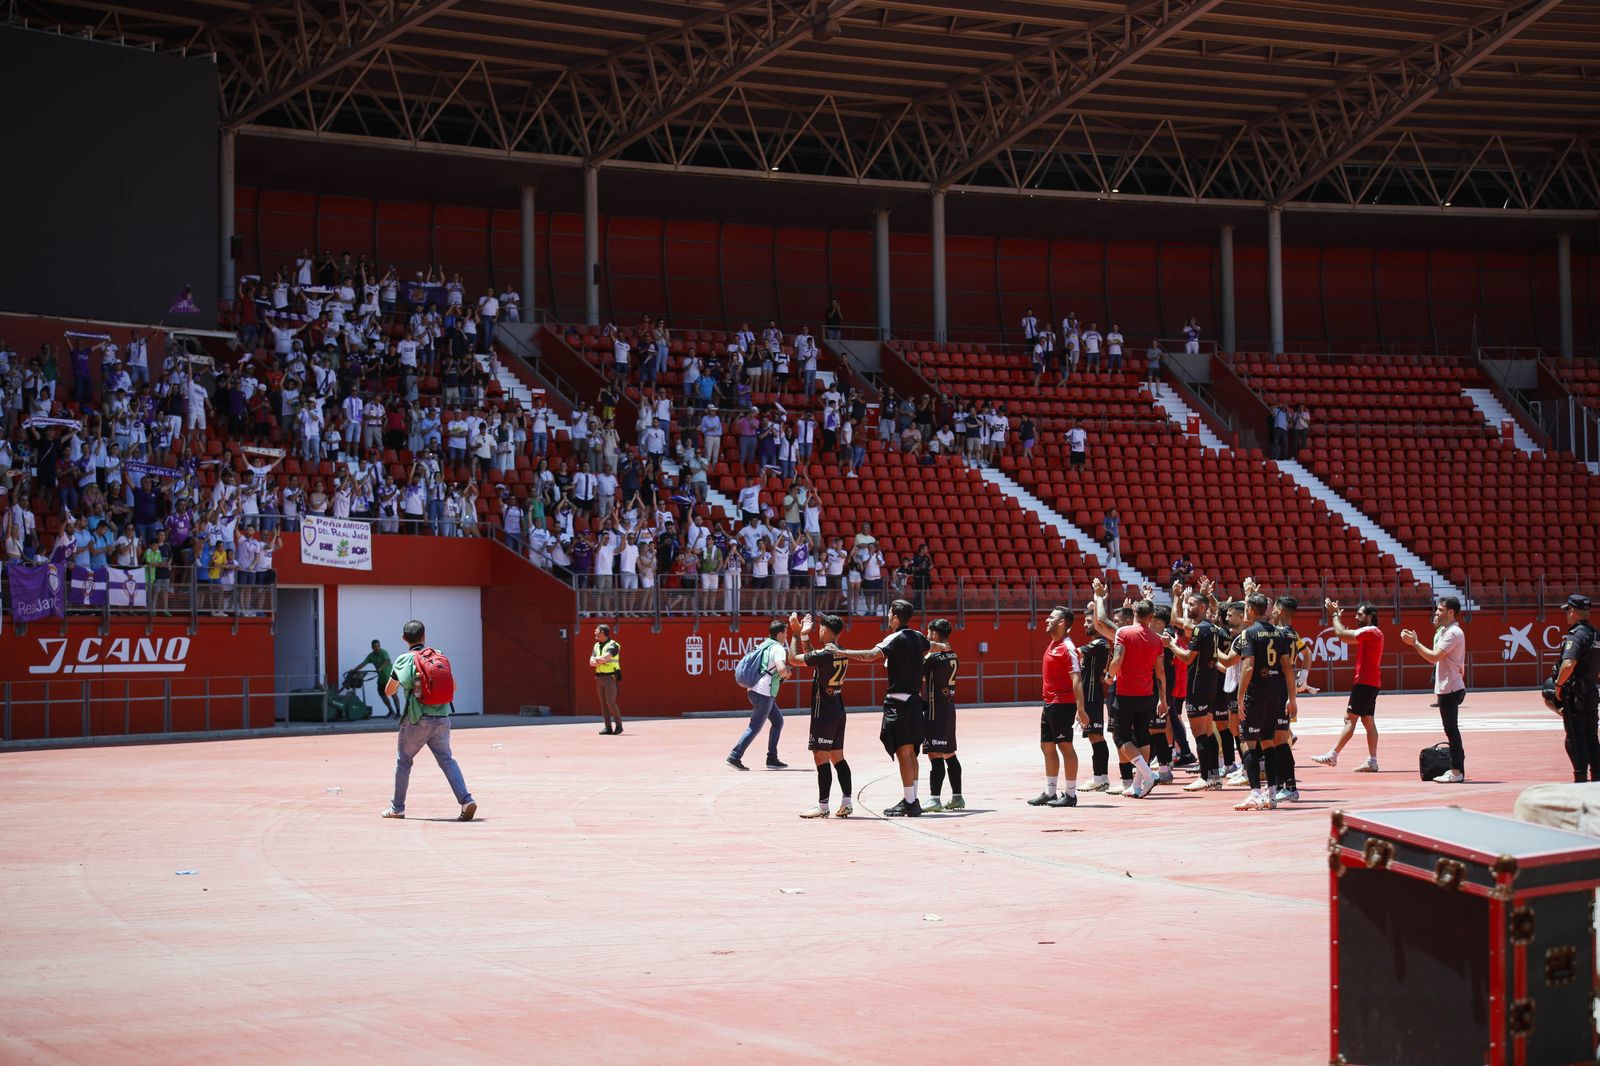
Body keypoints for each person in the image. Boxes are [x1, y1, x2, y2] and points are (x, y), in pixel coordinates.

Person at [830, 599, 940, 816]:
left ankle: (910, 802)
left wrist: (842, 652)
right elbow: (933, 646)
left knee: (902, 751)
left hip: (898, 703)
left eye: (890, 613)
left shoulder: (894, 638)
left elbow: (870, 655)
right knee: (911, 753)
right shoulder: (919, 636)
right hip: (916, 702)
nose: (888, 617)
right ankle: (912, 799)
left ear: (897, 617)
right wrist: (945, 646)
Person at [380, 619, 476, 821]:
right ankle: (466, 800)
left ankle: (397, 808)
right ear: (424, 636)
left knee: (404, 761)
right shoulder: (438, 656)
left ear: (404, 638)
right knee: (447, 760)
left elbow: (388, 691)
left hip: (417, 720)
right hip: (442, 718)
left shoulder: (403, 660)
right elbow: (454, 687)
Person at [1101, 589, 1166, 799]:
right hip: (1147, 695)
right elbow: (1160, 672)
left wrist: (1109, 676)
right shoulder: (1157, 639)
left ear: (1134, 613)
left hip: (1126, 693)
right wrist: (1163, 700)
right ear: (1150, 617)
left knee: (1120, 738)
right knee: (1142, 737)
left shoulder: (1124, 633)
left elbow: (1118, 659)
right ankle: (1137, 785)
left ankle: (1148, 775)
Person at [792, 612, 855, 818]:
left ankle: (822, 806)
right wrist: (804, 637)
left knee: (820, 757)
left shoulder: (825, 654)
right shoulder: (841, 651)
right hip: (838, 708)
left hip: (824, 711)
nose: (817, 631)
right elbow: (813, 657)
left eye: (819, 628)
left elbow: (794, 659)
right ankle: (846, 802)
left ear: (826, 630)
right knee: (838, 757)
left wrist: (795, 633)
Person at [1312, 601, 1385, 772]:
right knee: (1367, 721)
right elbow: (1345, 635)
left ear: (1370, 616)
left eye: (1360, 614)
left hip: (1365, 682)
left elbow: (1341, 634)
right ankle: (1372, 761)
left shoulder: (1371, 630)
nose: (1356, 617)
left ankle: (1333, 755)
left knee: (1349, 719)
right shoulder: (1372, 633)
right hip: (1371, 681)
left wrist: (1334, 615)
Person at [1401, 595, 1467, 783]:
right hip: (1449, 686)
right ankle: (1456, 770)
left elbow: (1433, 657)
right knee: (1451, 731)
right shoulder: (1448, 631)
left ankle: (1456, 771)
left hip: (1451, 687)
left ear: (1451, 612)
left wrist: (1415, 643)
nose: (1436, 612)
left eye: (1440, 609)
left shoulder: (1453, 633)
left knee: (1452, 732)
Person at [1029, 605, 1082, 808]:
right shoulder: (1053, 644)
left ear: (1061, 622)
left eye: (1051, 618)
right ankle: (1051, 792)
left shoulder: (1067, 648)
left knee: (1065, 746)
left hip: (1063, 703)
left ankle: (1070, 794)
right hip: (1049, 703)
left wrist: (1081, 709)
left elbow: (1077, 679)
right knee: (1047, 746)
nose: (1046, 620)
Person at [726, 618, 792, 771]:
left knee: (778, 721)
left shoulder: (763, 644)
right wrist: (786, 672)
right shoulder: (778, 648)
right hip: (764, 692)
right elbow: (781, 669)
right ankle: (735, 756)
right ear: (780, 634)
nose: (787, 636)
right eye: (786, 633)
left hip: (755, 689)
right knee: (754, 726)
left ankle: (772, 758)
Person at [1553, 594, 1598, 782]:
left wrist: (1558, 686)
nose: (1566, 615)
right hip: (1591, 691)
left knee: (1575, 737)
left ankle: (1580, 778)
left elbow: (1569, 663)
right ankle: (1597, 776)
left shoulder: (1576, 635)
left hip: (1576, 694)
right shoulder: (1596, 634)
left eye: (1567, 611)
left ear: (1572, 611)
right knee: (1592, 737)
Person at [921, 619, 965, 813]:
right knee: (949, 753)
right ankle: (957, 797)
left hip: (935, 709)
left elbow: (917, 671)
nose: (927, 637)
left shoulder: (934, 658)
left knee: (935, 753)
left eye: (929, 633)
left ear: (935, 635)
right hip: (948, 708)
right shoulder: (953, 654)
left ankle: (934, 799)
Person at [590, 623, 624, 735]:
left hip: (610, 677)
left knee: (610, 702)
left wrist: (599, 660)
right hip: (599, 677)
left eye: (596, 630)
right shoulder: (596, 645)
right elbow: (591, 662)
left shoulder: (614, 645)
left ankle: (619, 725)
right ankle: (608, 727)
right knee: (603, 703)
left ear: (603, 633)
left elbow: (606, 658)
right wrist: (599, 660)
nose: (595, 632)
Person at [361, 638, 399, 717]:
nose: (377, 648)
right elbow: (363, 663)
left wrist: (380, 668)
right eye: (375, 646)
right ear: (372, 647)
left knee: (393, 695)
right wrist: (354, 670)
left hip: (390, 677)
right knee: (382, 695)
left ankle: (398, 712)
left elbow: (387, 661)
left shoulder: (383, 652)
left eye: (378, 646)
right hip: (381, 679)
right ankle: (391, 710)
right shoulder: (371, 656)